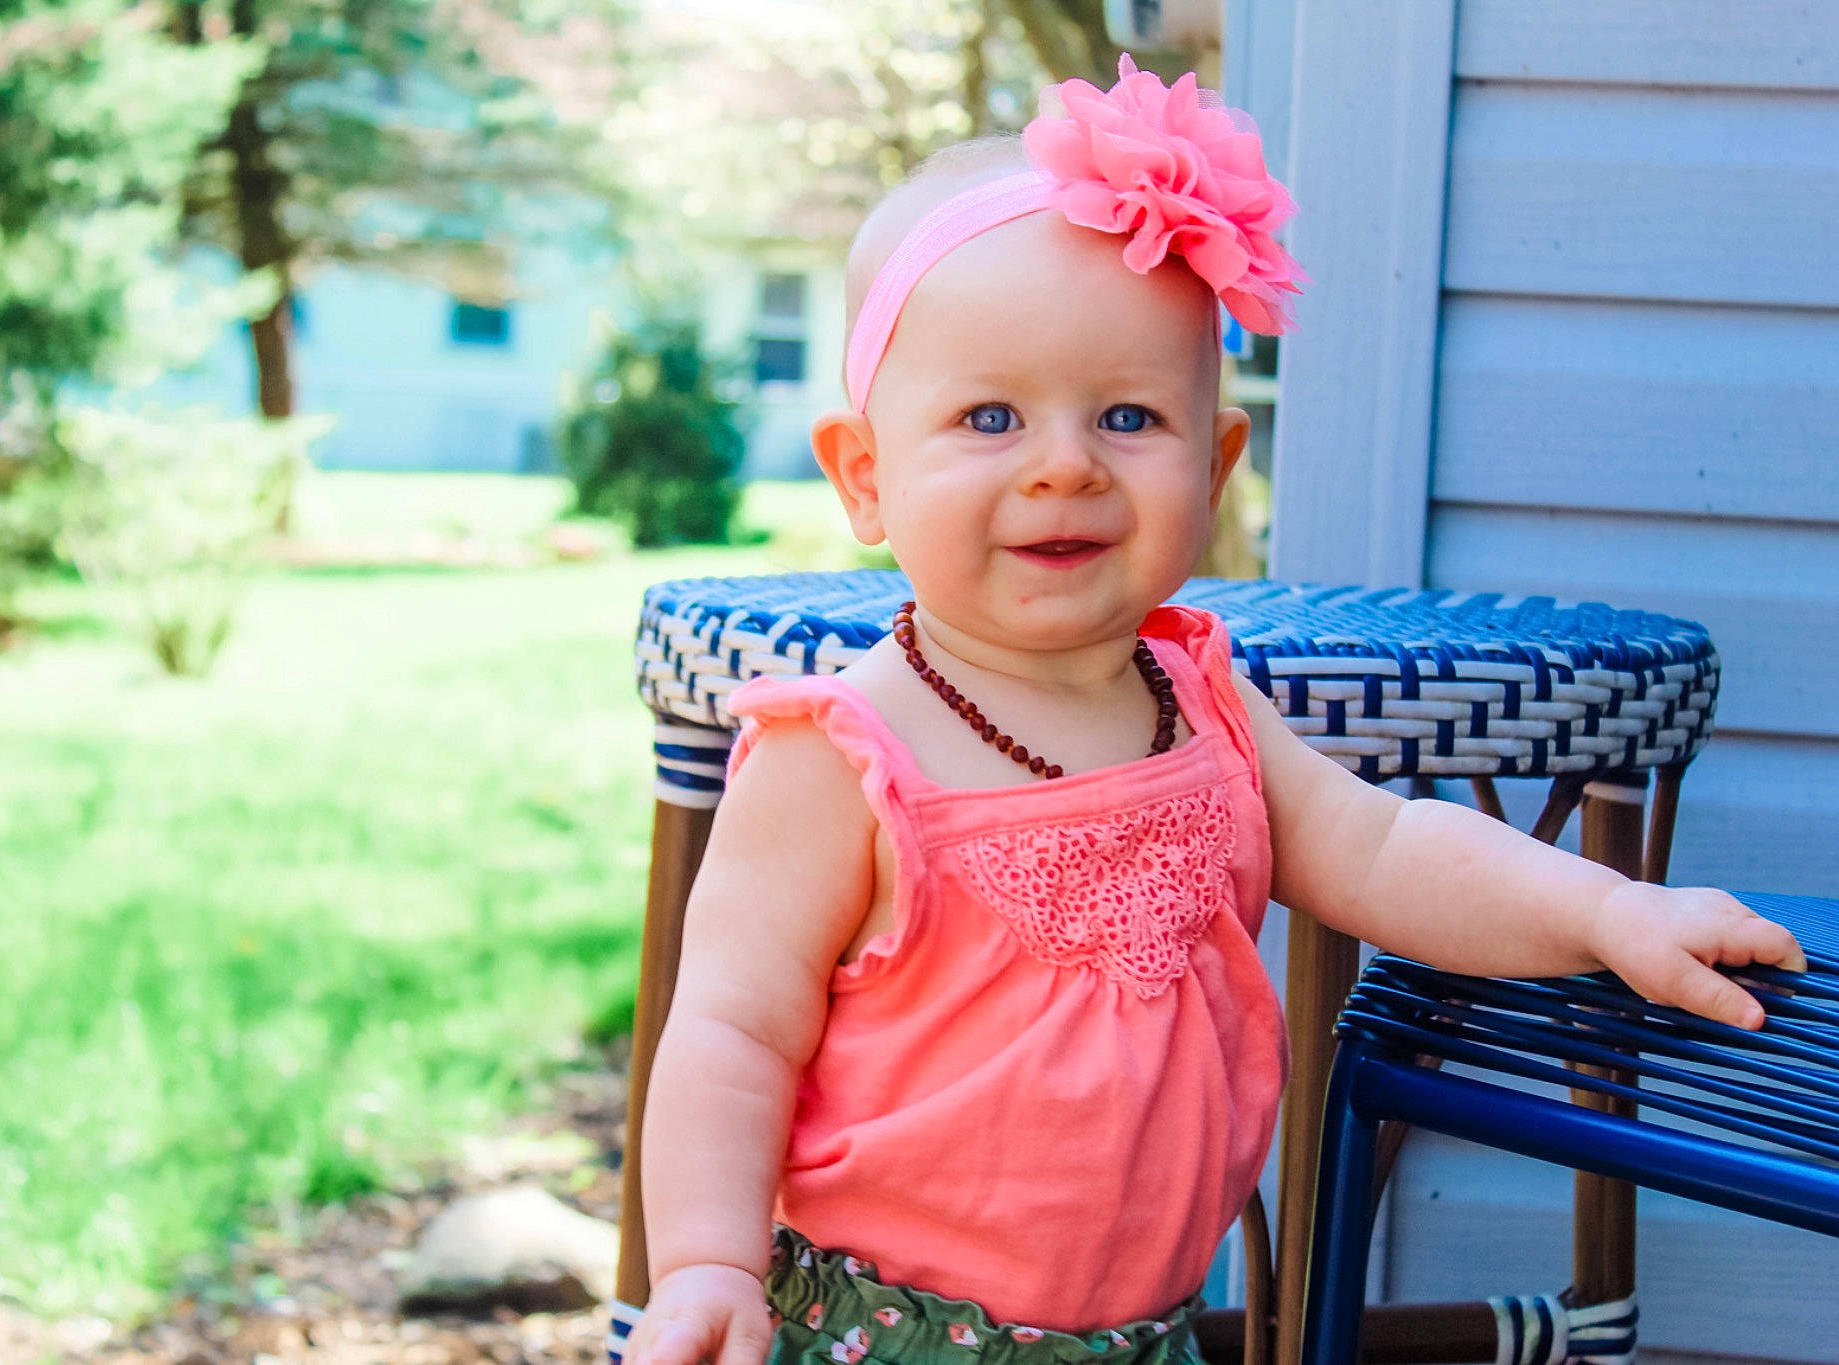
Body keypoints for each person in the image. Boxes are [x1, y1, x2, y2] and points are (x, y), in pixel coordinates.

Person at [627, 57, 1806, 1365]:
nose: (1065, 462)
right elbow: (732, 1029)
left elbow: (1386, 850)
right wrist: (706, 1265)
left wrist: (1606, 909)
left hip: (1147, 1336)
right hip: (885, 1336)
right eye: (990, 416)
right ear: (866, 475)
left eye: (1128, 415)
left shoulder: (1201, 705)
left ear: (1215, 461)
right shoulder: (843, 756)